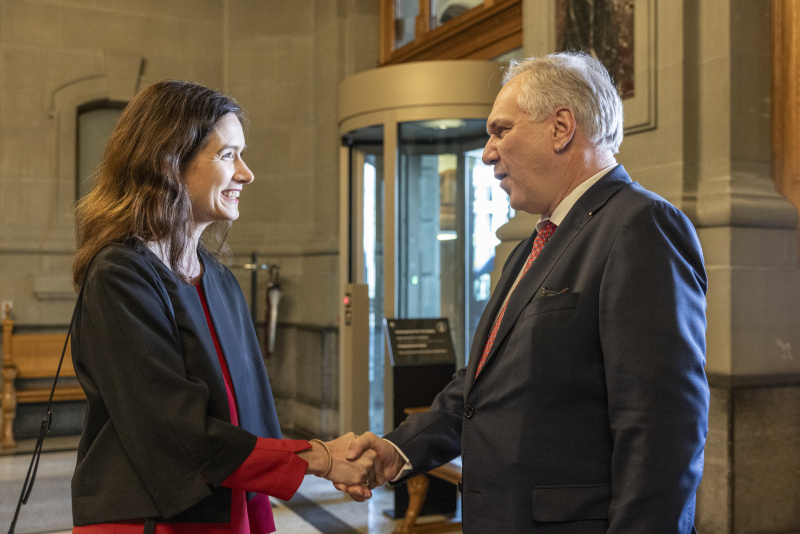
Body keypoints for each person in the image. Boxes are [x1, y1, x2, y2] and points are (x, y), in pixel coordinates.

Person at [345, 52, 710, 532]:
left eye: (500, 131)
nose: (487, 152)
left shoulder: (640, 226)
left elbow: (663, 433)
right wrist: (399, 448)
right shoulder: (531, 246)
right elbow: (483, 387)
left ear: (561, 127)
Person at [70, 80, 379, 534]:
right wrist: (321, 458)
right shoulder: (120, 275)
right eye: (228, 154)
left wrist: (318, 469)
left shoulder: (219, 279)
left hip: (232, 509)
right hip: (150, 520)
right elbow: (176, 431)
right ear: (169, 163)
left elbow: (253, 416)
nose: (246, 173)